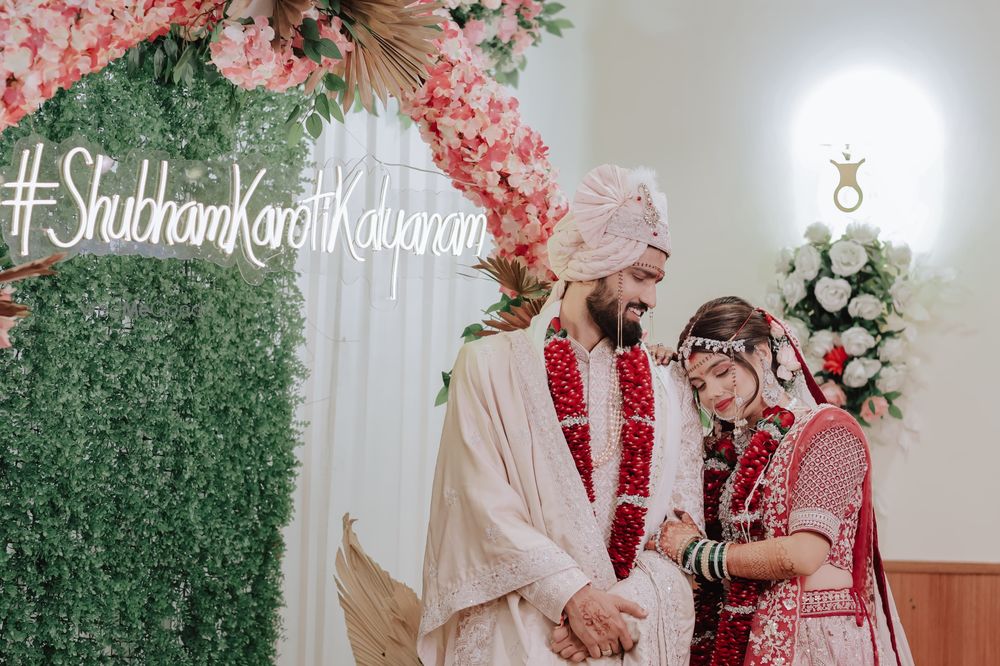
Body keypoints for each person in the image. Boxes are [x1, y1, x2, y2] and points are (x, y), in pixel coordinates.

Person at [417, 165, 705, 664]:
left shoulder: (668, 385)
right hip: (523, 632)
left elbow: (681, 527)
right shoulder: (490, 366)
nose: (652, 299)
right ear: (592, 265)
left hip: (629, 630)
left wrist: (615, 613)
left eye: (657, 281)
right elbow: (477, 505)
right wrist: (572, 597)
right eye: (640, 277)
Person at [647, 296, 914, 665]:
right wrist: (656, 372)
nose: (712, 392)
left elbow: (803, 554)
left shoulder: (829, 431)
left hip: (816, 639)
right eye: (698, 383)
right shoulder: (726, 453)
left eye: (722, 371)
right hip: (745, 632)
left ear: (761, 353)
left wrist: (697, 552)